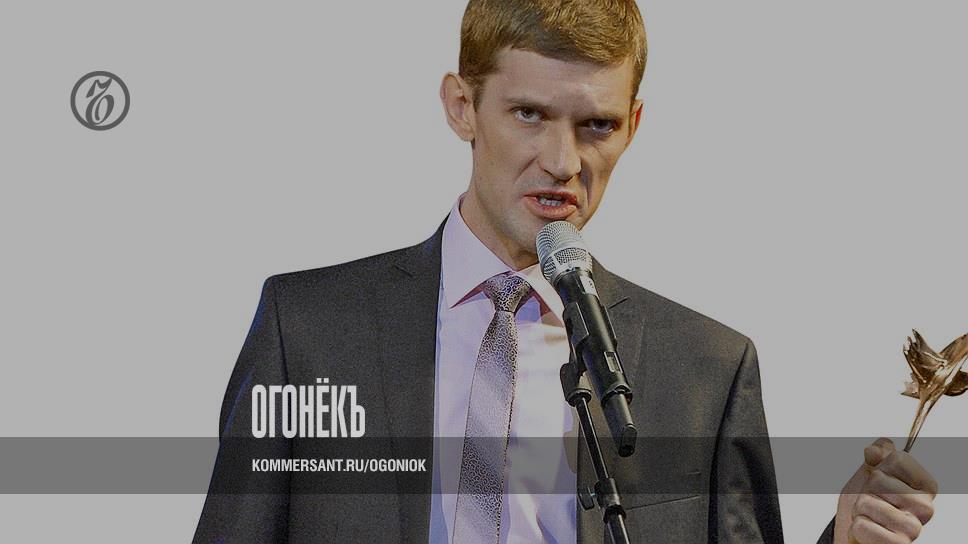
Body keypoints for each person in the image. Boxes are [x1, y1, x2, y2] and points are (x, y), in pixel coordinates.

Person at [193, 1, 938, 542]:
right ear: (461, 106)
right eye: (529, 114)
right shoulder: (309, 332)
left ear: (633, 126)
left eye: (595, 125)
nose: (562, 161)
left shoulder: (708, 371)